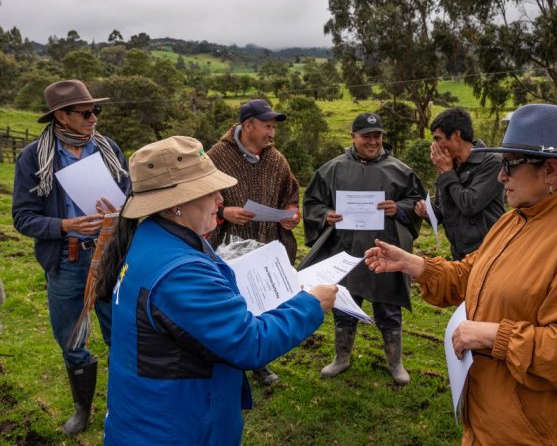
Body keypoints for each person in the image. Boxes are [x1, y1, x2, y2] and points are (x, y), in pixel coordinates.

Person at [365, 104, 557, 444]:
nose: (501, 176)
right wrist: (414, 264)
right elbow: (473, 273)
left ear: (551, 169)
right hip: (496, 416)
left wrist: (491, 336)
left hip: (547, 427)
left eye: (510, 165)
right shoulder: (515, 219)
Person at [95, 136, 336, 446]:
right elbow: (249, 343)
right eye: (209, 191)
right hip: (177, 428)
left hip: (150, 413)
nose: (221, 199)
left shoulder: (152, 235)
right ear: (177, 203)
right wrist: (310, 305)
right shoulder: (180, 272)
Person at [12, 79, 129, 435]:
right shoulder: (34, 157)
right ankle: (82, 408)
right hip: (67, 259)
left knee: (121, 333)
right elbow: (23, 217)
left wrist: (121, 213)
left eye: (96, 111)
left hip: (110, 255)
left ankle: (123, 403)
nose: (94, 118)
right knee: (70, 337)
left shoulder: (108, 148)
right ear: (60, 116)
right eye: (85, 112)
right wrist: (65, 224)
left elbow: (131, 196)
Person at [303, 112, 425, 385]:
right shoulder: (331, 170)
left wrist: (399, 208)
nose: (373, 141)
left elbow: (416, 202)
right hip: (345, 252)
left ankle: (396, 363)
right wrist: (326, 215)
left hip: (385, 252)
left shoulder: (400, 171)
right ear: (353, 137)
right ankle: (341, 358)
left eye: (377, 136)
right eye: (367, 136)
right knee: (345, 306)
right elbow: (312, 202)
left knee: (389, 307)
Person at [207, 99, 299, 385]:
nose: (272, 133)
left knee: (263, 304)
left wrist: (292, 215)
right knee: (229, 305)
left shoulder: (276, 159)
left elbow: (291, 194)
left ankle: (260, 360)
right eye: (267, 126)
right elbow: (199, 200)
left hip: (266, 244)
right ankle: (226, 362)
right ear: (248, 125)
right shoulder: (216, 157)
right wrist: (224, 212)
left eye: (273, 127)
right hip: (226, 247)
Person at [414, 108, 504, 259]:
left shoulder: (491, 162)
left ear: (456, 135)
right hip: (459, 255)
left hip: (488, 254)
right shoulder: (448, 166)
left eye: (438, 139)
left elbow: (470, 204)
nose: (435, 146)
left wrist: (447, 173)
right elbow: (444, 215)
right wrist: (427, 212)